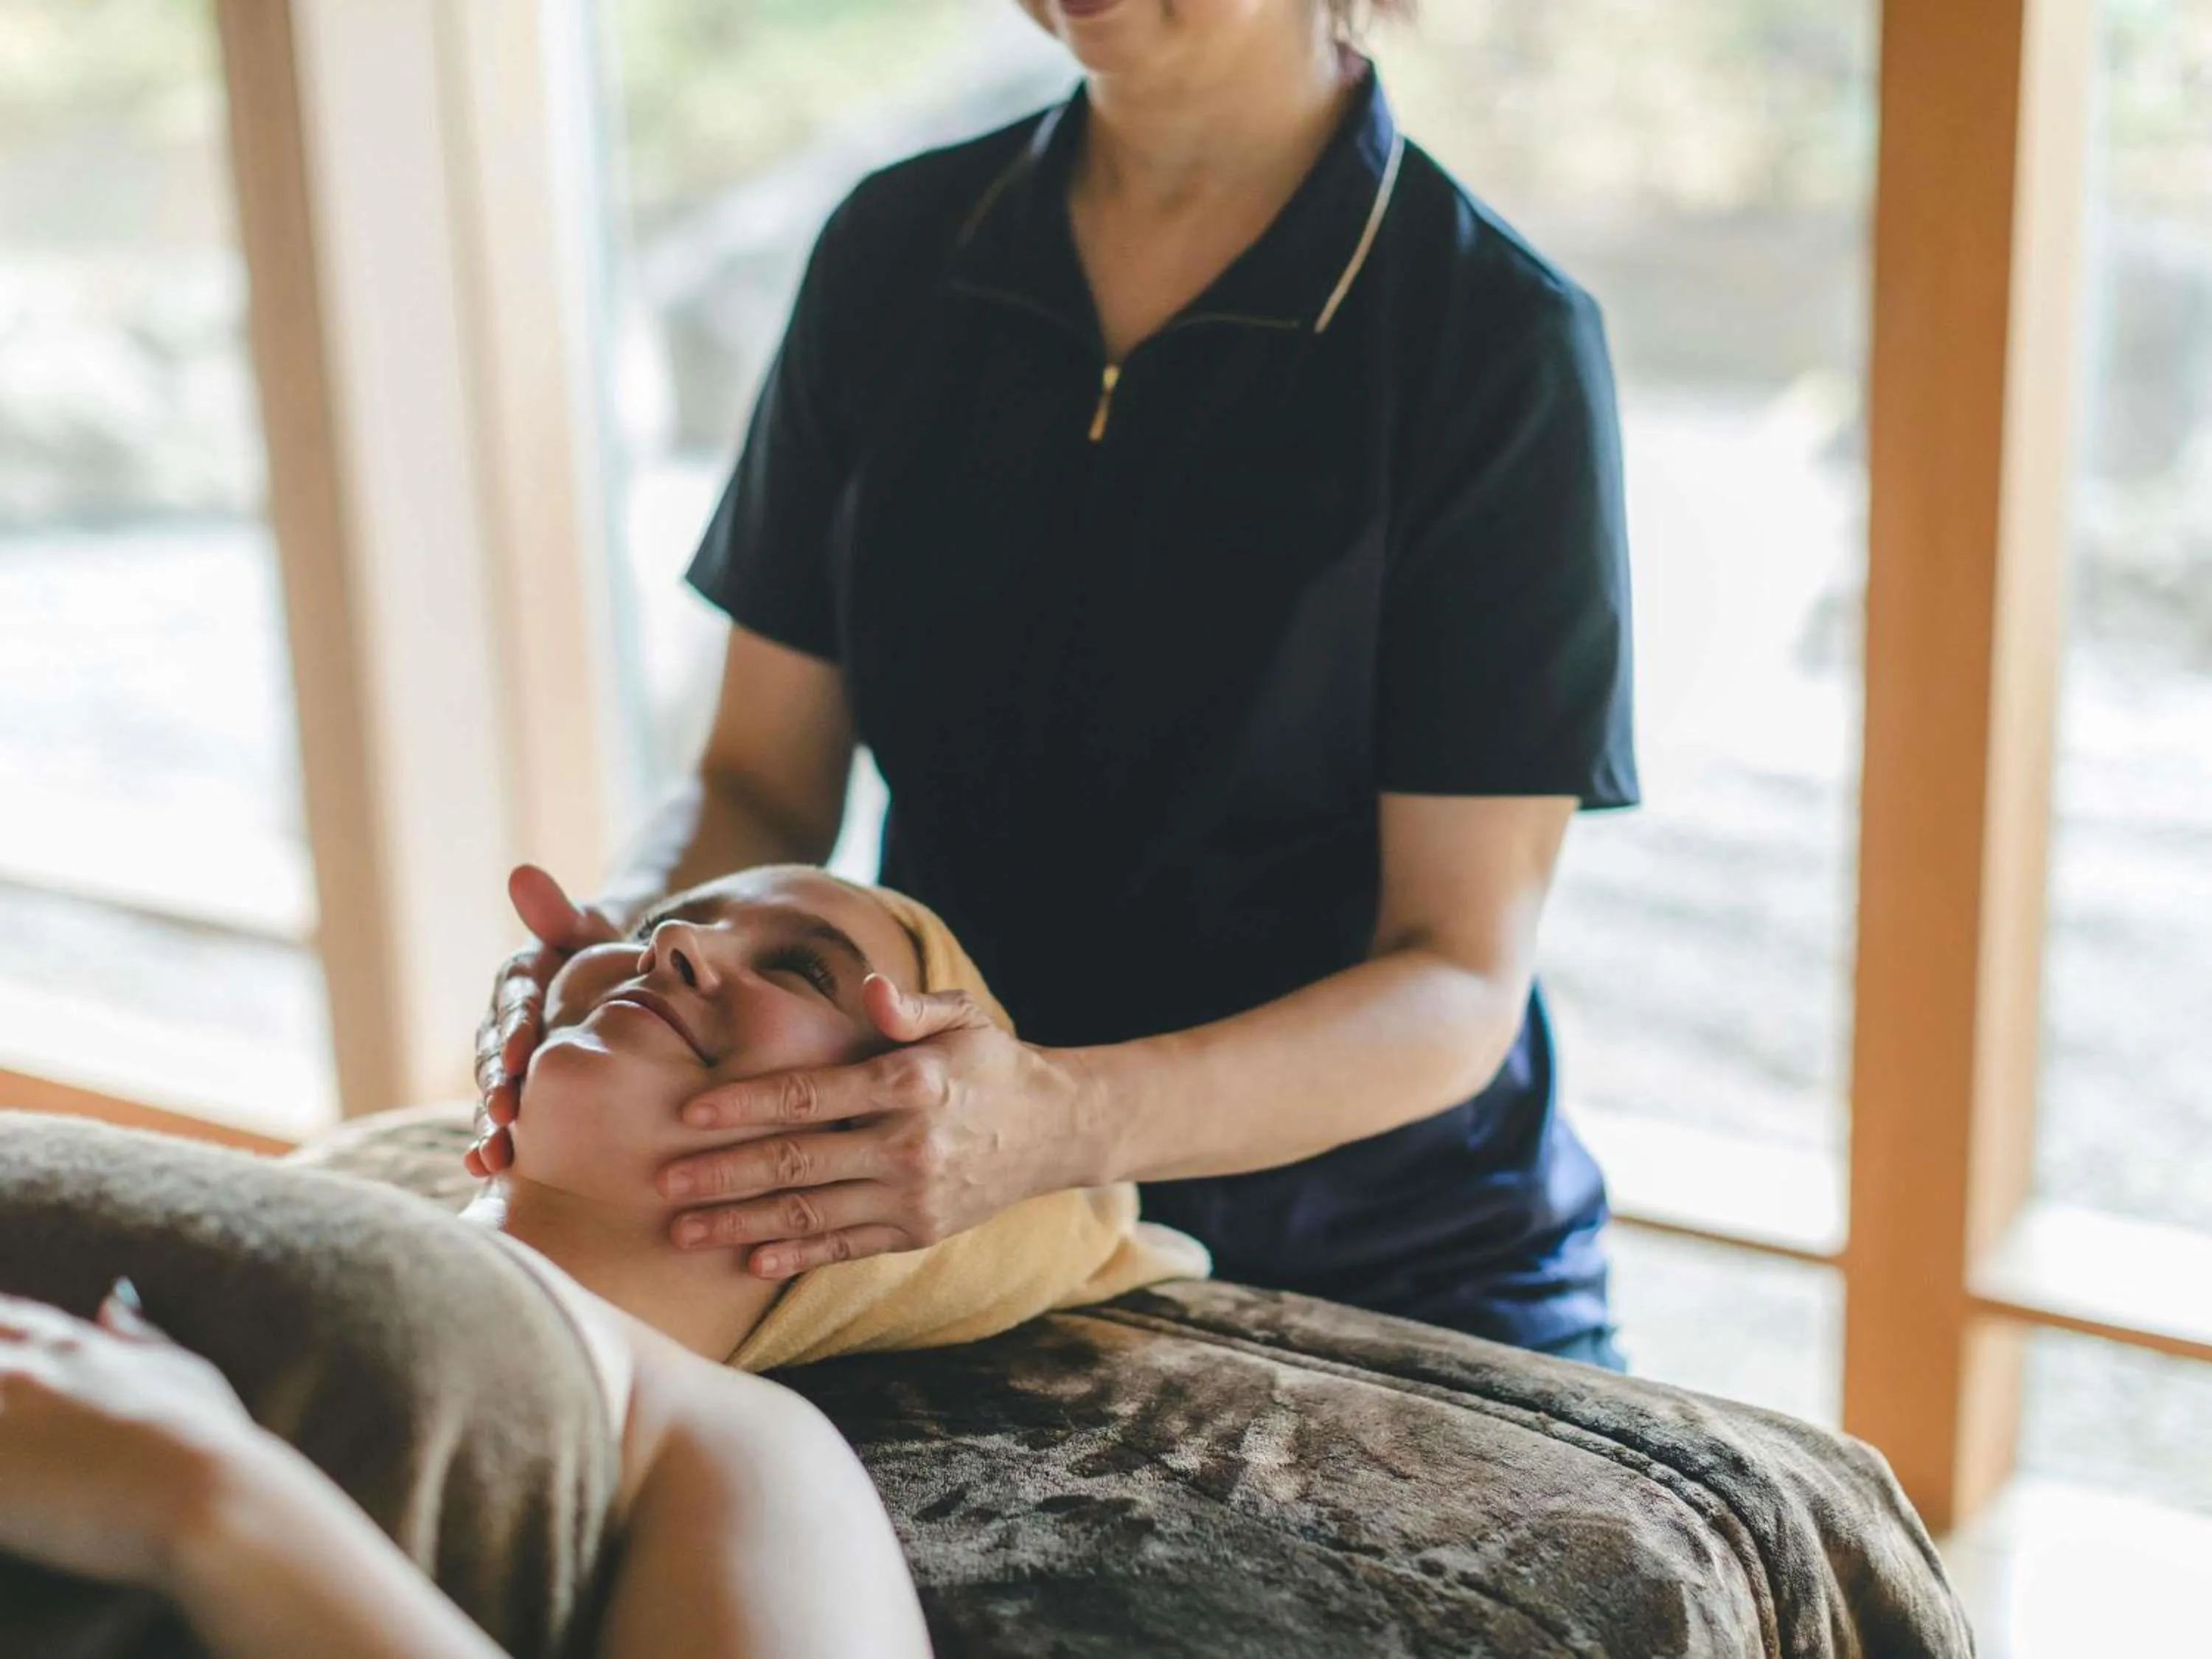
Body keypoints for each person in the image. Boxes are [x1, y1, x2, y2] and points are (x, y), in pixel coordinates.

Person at [474, 0, 1638, 1367]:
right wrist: (615, 946)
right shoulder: (897, 251)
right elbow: (755, 783)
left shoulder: (1493, 338)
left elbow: (1454, 975)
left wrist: (1056, 1126)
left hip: (1386, 1241)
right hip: (943, 1217)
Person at [0, 866, 1198, 1659]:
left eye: (802, 967)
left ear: (914, 1153)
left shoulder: (728, 1440)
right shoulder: (315, 1187)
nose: (670, 940)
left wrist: (209, 1505)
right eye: (655, 924)